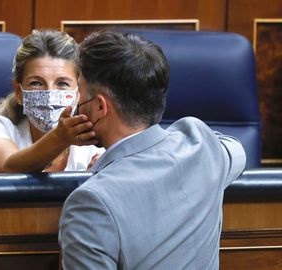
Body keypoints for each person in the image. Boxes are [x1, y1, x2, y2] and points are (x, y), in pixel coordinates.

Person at [58, 31, 246, 269]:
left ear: (99, 106)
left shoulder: (91, 202)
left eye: (80, 95)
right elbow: (236, 150)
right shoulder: (201, 145)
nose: (76, 106)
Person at [0, 30, 104, 174]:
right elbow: (7, 169)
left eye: (62, 83)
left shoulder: (93, 130)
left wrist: (93, 180)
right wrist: (59, 137)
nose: (49, 93)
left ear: (78, 91)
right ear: (19, 92)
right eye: (36, 83)